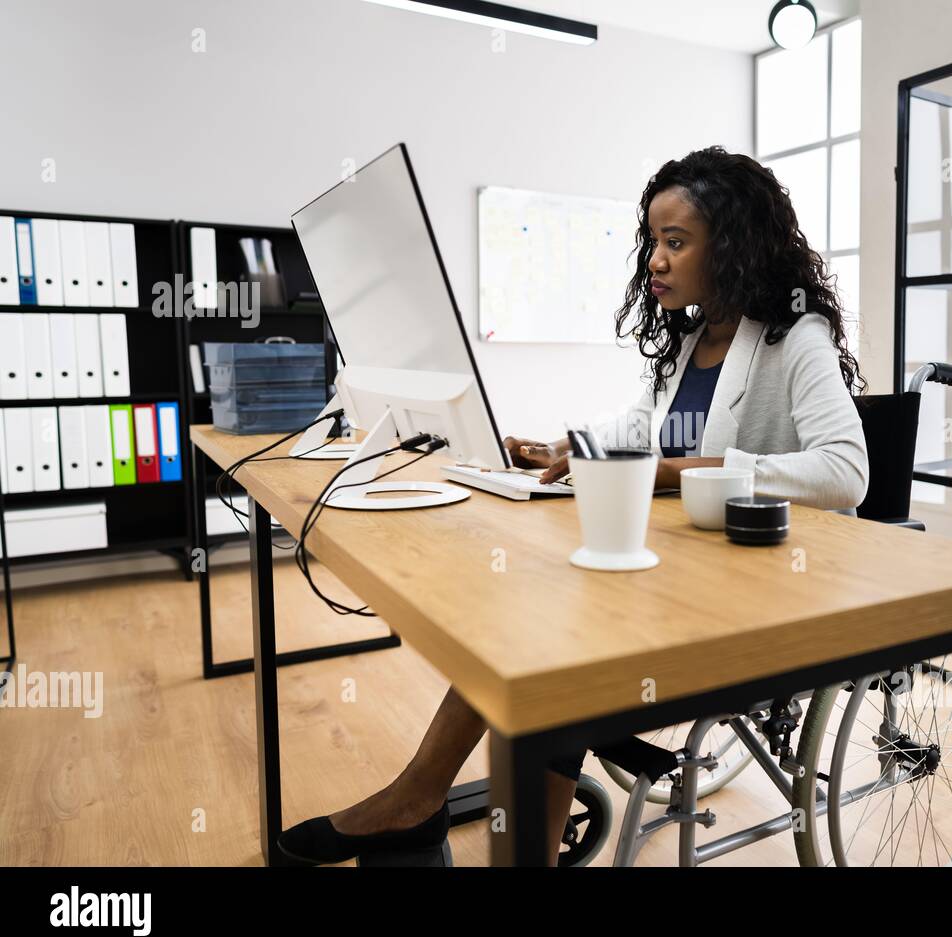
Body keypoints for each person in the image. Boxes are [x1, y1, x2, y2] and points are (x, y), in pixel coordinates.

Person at [278, 145, 869, 866]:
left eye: (675, 242)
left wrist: (680, 471)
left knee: (549, 665)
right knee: (524, 623)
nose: (655, 259)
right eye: (653, 240)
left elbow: (845, 472)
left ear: (736, 246)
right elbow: (644, 432)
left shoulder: (793, 340)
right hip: (681, 578)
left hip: (758, 604)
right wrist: (565, 446)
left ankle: (419, 802)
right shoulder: (690, 340)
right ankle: (424, 800)